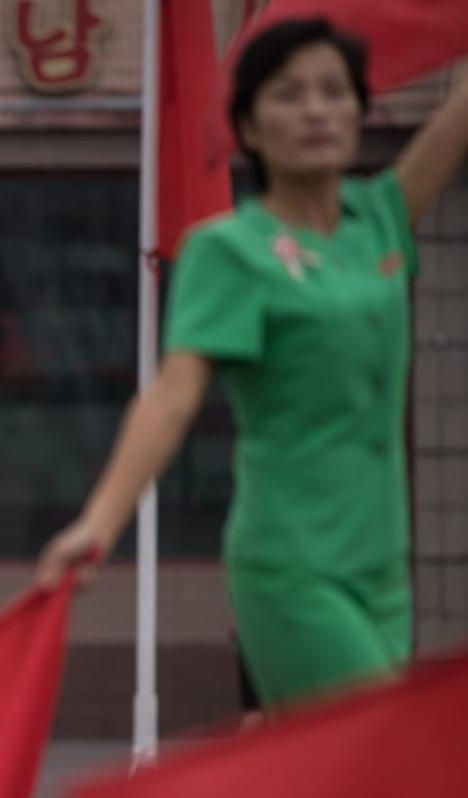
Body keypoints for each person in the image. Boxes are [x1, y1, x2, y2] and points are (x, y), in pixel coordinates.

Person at [37, 17, 468, 707]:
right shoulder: (229, 250)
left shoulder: (379, 219)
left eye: (334, 92)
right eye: (289, 95)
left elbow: (458, 116)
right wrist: (100, 521)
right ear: (249, 125)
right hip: (293, 566)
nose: (316, 111)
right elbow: (172, 396)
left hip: (383, 568)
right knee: (377, 765)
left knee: (340, 796)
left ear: (362, 110)